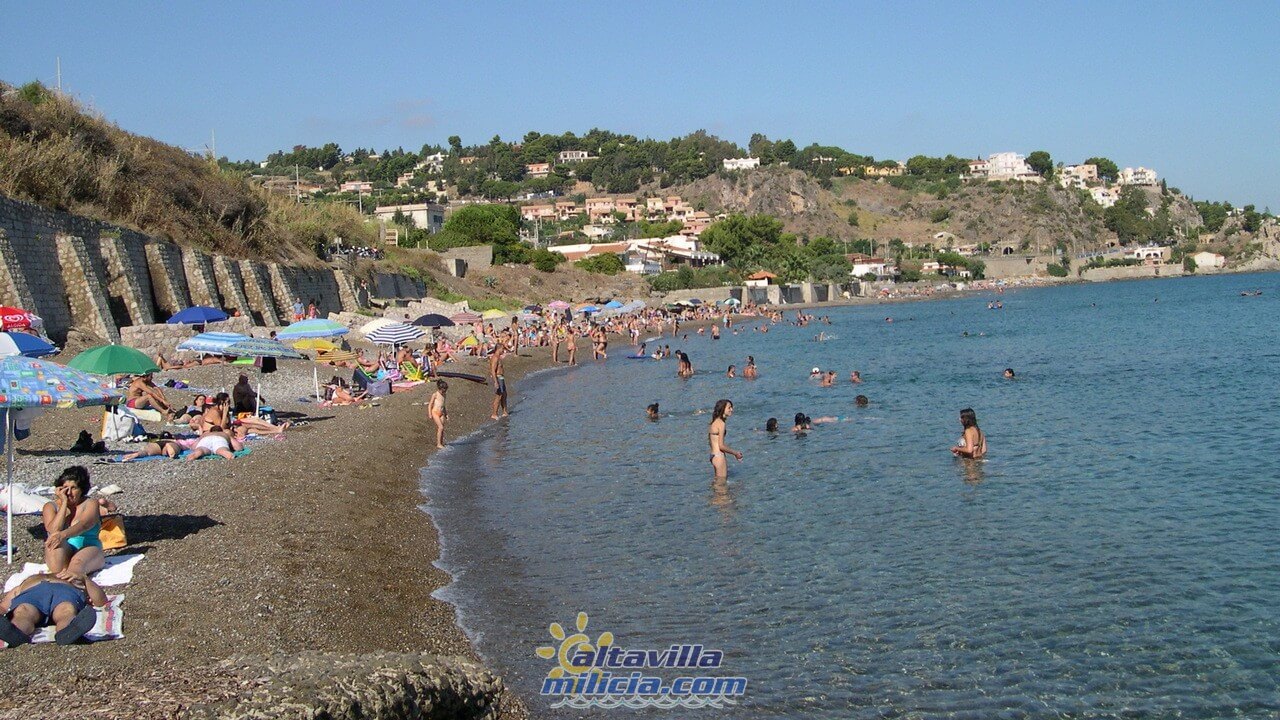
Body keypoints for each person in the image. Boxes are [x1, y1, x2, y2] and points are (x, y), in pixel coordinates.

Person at [0, 570, 107, 647]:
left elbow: (101, 600)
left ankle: (68, 632)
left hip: (64, 591)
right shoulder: (22, 584)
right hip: (31, 593)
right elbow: (3, 606)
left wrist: (85, 579)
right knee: (22, 610)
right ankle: (15, 633)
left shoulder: (72, 576)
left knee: (66, 609)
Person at [40, 467, 105, 577]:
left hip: (88, 547)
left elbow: (85, 524)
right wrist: (64, 503)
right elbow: (54, 530)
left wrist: (63, 535)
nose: (69, 492)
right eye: (65, 488)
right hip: (64, 549)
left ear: (81, 490)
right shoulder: (50, 507)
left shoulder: (90, 503)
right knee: (53, 546)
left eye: (73, 488)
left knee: (76, 567)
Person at [707, 399, 742, 478]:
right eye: (729, 408)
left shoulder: (715, 422)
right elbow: (721, 446)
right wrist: (735, 453)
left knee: (718, 482)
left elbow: (711, 442)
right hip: (719, 456)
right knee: (722, 485)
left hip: (713, 455)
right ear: (723, 409)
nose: (731, 410)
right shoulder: (721, 424)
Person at [489, 345, 509, 419]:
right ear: (499, 349)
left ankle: (505, 412)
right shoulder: (495, 358)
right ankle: (494, 414)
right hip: (498, 378)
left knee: (504, 394)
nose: (503, 350)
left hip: (501, 377)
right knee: (498, 396)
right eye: (502, 349)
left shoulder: (498, 357)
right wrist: (495, 382)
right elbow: (492, 371)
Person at [428, 380, 448, 449]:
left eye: (445, 391)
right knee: (440, 427)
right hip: (435, 412)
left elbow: (443, 405)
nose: (444, 392)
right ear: (439, 389)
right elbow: (430, 404)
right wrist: (430, 413)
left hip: (441, 413)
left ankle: (441, 442)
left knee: (442, 428)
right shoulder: (435, 394)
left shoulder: (444, 395)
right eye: (442, 391)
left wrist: (446, 414)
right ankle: (438, 444)